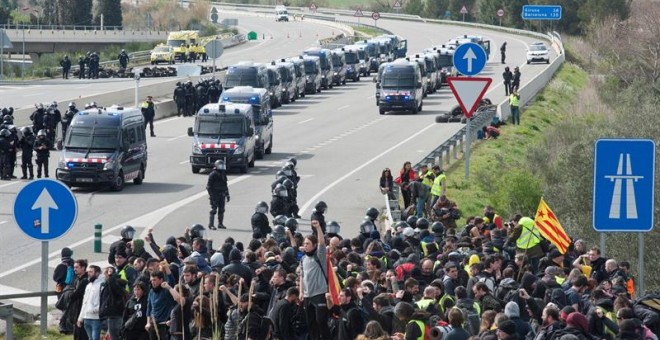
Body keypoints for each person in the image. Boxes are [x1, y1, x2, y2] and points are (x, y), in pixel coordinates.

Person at [301, 219, 330, 340]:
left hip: (319, 293)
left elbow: (322, 243)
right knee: (311, 324)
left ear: (313, 245)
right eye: (304, 243)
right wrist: (301, 292)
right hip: (308, 295)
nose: (305, 245)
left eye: (308, 244)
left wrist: (318, 228)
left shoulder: (319, 255)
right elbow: (302, 276)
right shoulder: (303, 259)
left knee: (321, 322)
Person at [145, 271, 179, 340]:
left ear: (161, 280)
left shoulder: (166, 290)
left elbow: (172, 281)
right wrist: (148, 322)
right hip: (153, 323)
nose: (152, 282)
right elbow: (149, 307)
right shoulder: (151, 291)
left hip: (164, 324)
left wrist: (166, 268)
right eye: (151, 280)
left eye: (154, 280)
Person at [78, 265, 104, 340]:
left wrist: (95, 310)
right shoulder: (88, 286)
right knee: (90, 338)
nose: (88, 274)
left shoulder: (101, 285)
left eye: (91, 272)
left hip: (96, 318)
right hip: (86, 317)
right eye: (88, 272)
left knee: (95, 338)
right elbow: (84, 302)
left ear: (97, 273)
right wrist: (80, 318)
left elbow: (103, 301)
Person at [207, 159, 230, 229]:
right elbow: (208, 186)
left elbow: (225, 185)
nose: (222, 167)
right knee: (213, 210)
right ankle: (211, 225)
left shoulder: (223, 174)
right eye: (220, 165)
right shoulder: (213, 174)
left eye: (222, 165)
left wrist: (227, 194)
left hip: (222, 194)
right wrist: (211, 195)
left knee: (222, 210)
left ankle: (220, 224)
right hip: (215, 194)